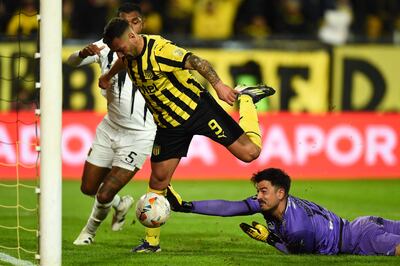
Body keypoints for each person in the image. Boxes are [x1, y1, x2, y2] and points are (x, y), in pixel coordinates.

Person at [99, 17, 275, 252]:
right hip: (168, 126)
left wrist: (220, 86)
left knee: (250, 153)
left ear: (132, 36)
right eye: (115, 50)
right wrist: (108, 76)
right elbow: (123, 61)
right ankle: (151, 243)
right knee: (158, 180)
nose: (119, 53)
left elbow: (197, 62)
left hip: (198, 110)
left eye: (120, 48)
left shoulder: (159, 50)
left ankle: (247, 99)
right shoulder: (126, 54)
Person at [66, 3, 156, 245]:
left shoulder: (153, 49)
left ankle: (88, 233)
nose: (129, 28)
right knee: (89, 188)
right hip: (110, 128)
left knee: (105, 191)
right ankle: (120, 204)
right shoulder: (104, 46)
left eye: (134, 22)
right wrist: (82, 54)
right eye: (123, 22)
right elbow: (71, 62)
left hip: (139, 135)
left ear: (142, 24)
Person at [171, 168, 400, 256]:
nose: (258, 196)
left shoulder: (297, 227)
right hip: (362, 224)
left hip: (361, 239)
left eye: (263, 191)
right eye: (257, 191)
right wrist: (187, 205)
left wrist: (270, 239)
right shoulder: (272, 204)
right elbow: (230, 207)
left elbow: (301, 256)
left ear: (280, 193)